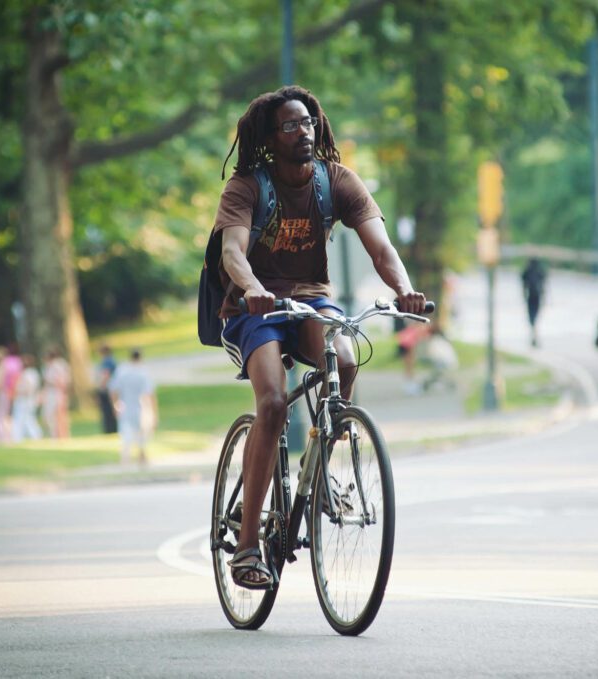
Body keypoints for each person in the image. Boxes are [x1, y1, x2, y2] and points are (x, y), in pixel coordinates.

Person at [213, 85, 426, 589]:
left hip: (310, 300)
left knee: (346, 359)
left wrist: (405, 289)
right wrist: (254, 289)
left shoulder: (337, 181)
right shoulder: (247, 186)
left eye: (307, 122)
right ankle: (246, 548)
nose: (303, 132)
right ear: (270, 136)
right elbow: (232, 253)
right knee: (272, 404)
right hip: (254, 307)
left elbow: (381, 246)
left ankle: (320, 463)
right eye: (290, 125)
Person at [109, 349, 156, 466]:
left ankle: (125, 458)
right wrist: (154, 412)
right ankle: (141, 456)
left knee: (126, 434)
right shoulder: (143, 372)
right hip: (141, 407)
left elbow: (114, 390)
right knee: (142, 433)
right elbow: (149, 394)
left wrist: (115, 405)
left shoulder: (122, 371)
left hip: (125, 405)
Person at [11, 354, 43, 442]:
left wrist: (20, 392)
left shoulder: (27, 373)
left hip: (25, 400)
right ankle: (33, 436)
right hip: (29, 399)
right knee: (28, 419)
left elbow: (28, 388)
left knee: (22, 419)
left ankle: (19, 437)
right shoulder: (34, 373)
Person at [41, 347, 72, 439]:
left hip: (57, 393)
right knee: (50, 415)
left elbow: (61, 381)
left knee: (59, 414)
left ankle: (62, 435)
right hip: (51, 393)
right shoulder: (49, 367)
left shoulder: (58, 366)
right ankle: (56, 434)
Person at [521, 258, 547, 347]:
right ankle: (534, 334)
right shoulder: (540, 271)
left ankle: (533, 333)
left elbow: (524, 285)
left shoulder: (527, 271)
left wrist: (524, 296)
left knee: (532, 317)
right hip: (537, 297)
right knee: (534, 316)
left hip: (531, 297)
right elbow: (543, 286)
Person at [96, 344, 119, 434]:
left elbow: (106, 375)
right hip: (113, 388)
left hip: (108, 389)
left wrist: (101, 387)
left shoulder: (107, 361)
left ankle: (110, 429)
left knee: (108, 410)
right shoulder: (112, 360)